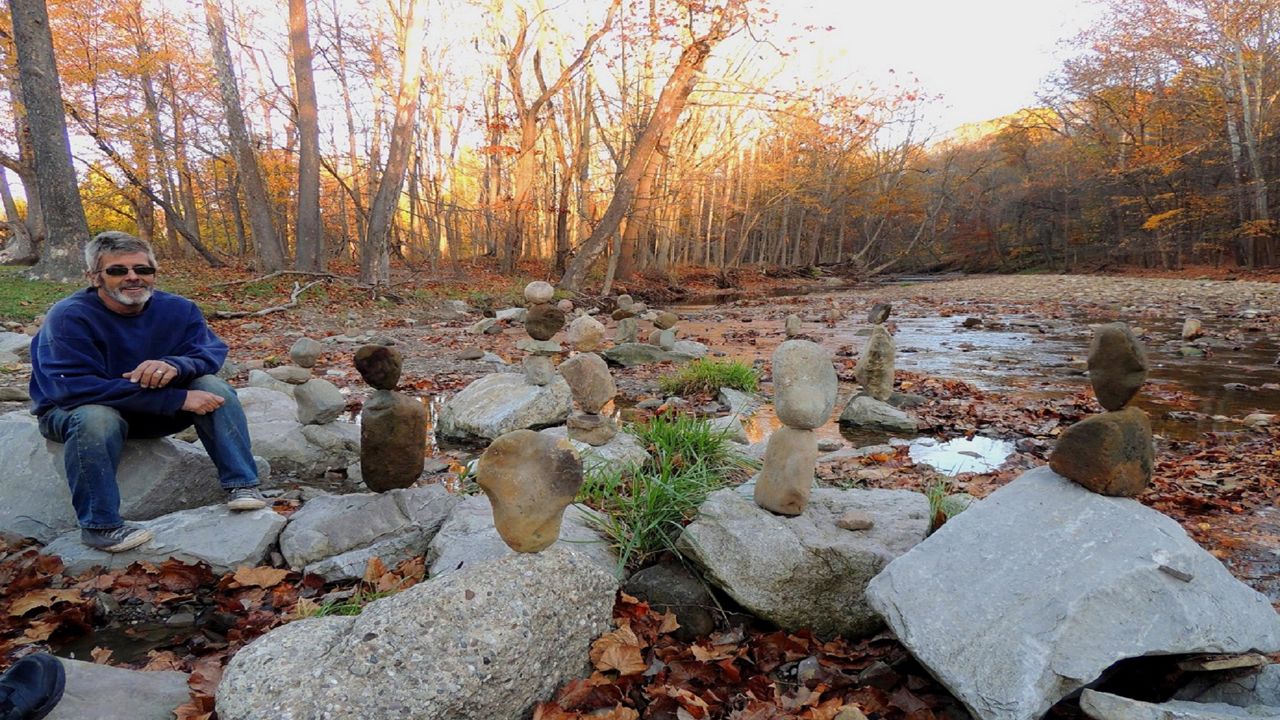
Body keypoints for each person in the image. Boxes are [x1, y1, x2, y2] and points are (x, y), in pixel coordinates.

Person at [28, 231, 266, 553]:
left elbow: (210, 352)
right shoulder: (69, 317)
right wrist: (176, 398)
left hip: (146, 412)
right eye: (118, 271)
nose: (133, 278)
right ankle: (100, 525)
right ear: (94, 277)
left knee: (213, 387)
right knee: (97, 417)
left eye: (143, 269)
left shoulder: (179, 309)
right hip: (73, 412)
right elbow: (72, 389)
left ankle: (243, 485)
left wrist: (175, 366)